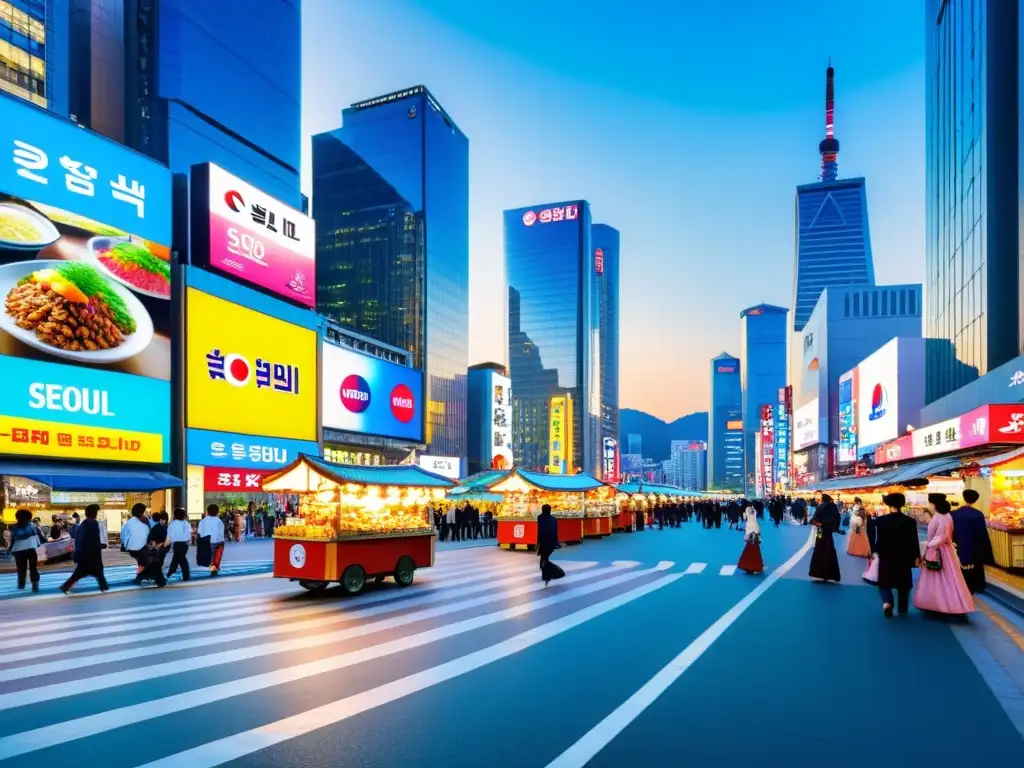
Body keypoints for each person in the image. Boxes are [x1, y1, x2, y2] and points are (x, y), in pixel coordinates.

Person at [914, 494, 975, 618]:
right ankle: (956, 604)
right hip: (947, 551)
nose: (928, 506)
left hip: (937, 551)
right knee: (951, 578)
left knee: (936, 578)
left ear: (934, 504)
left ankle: (937, 604)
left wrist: (929, 548)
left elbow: (938, 537)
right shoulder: (947, 516)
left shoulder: (938, 517)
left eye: (929, 503)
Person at [872, 493, 920, 617]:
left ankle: (888, 602)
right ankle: (902, 608)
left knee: (884, 581)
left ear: (888, 504)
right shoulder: (910, 521)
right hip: (904, 556)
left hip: (886, 555)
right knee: (903, 582)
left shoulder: (881, 520)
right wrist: (917, 556)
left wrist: (875, 550)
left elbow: (876, 537)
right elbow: (914, 540)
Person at [951, 489, 995, 594]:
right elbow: (982, 534)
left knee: (959, 566)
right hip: (974, 547)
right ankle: (975, 586)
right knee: (975, 568)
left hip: (958, 545)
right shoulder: (978, 515)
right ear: (975, 500)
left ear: (963, 497)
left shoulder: (954, 514)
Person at [60, 504, 109, 594]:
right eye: (96, 512)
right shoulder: (92, 523)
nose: (96, 514)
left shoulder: (84, 523)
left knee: (80, 573)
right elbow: (92, 539)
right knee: (97, 571)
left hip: (84, 554)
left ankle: (65, 586)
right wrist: (101, 545)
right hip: (91, 554)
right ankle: (104, 588)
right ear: (93, 513)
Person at [6, 509, 42, 591]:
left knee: (21, 569)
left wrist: (10, 549)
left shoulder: (14, 527)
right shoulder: (32, 525)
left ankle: (21, 585)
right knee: (33, 567)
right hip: (30, 549)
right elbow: (36, 535)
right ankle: (35, 583)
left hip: (18, 550)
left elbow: (13, 540)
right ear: (28, 517)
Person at [808, 493, 841, 582]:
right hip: (828, 531)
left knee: (819, 548)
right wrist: (835, 528)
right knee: (829, 549)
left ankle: (818, 572)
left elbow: (815, 519)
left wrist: (818, 524)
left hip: (820, 530)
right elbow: (837, 517)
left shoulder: (821, 506)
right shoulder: (833, 506)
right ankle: (831, 574)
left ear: (823, 499)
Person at [120, 503, 152, 576]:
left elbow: (123, 536)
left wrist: (124, 544)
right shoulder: (145, 521)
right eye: (145, 512)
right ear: (141, 513)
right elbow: (150, 534)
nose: (145, 514)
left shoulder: (128, 523)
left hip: (131, 548)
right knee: (147, 559)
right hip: (141, 548)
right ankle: (141, 575)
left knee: (142, 560)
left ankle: (142, 573)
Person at [536, 504, 564, 585]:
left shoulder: (540, 518)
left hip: (543, 543)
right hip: (550, 543)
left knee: (543, 562)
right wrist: (556, 543)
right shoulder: (553, 519)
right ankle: (548, 576)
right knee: (544, 560)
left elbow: (539, 531)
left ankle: (556, 572)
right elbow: (555, 532)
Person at [197, 504, 227, 575]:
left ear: (207, 511)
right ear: (217, 512)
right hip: (218, 541)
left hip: (207, 541)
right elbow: (221, 532)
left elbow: (199, 532)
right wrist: (221, 540)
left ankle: (212, 566)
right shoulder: (219, 521)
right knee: (218, 555)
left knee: (210, 555)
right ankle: (215, 567)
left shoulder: (203, 521)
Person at [166, 507, 192, 581]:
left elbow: (169, 535)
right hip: (184, 544)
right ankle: (171, 571)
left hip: (177, 544)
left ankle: (184, 574)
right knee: (177, 558)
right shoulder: (186, 523)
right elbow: (189, 533)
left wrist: (166, 543)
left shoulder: (172, 524)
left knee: (181, 559)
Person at [737, 506, 764, 574]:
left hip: (750, 531)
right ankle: (755, 567)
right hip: (755, 530)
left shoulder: (747, 513)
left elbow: (744, 518)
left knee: (749, 551)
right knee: (755, 551)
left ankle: (748, 567)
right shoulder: (754, 512)